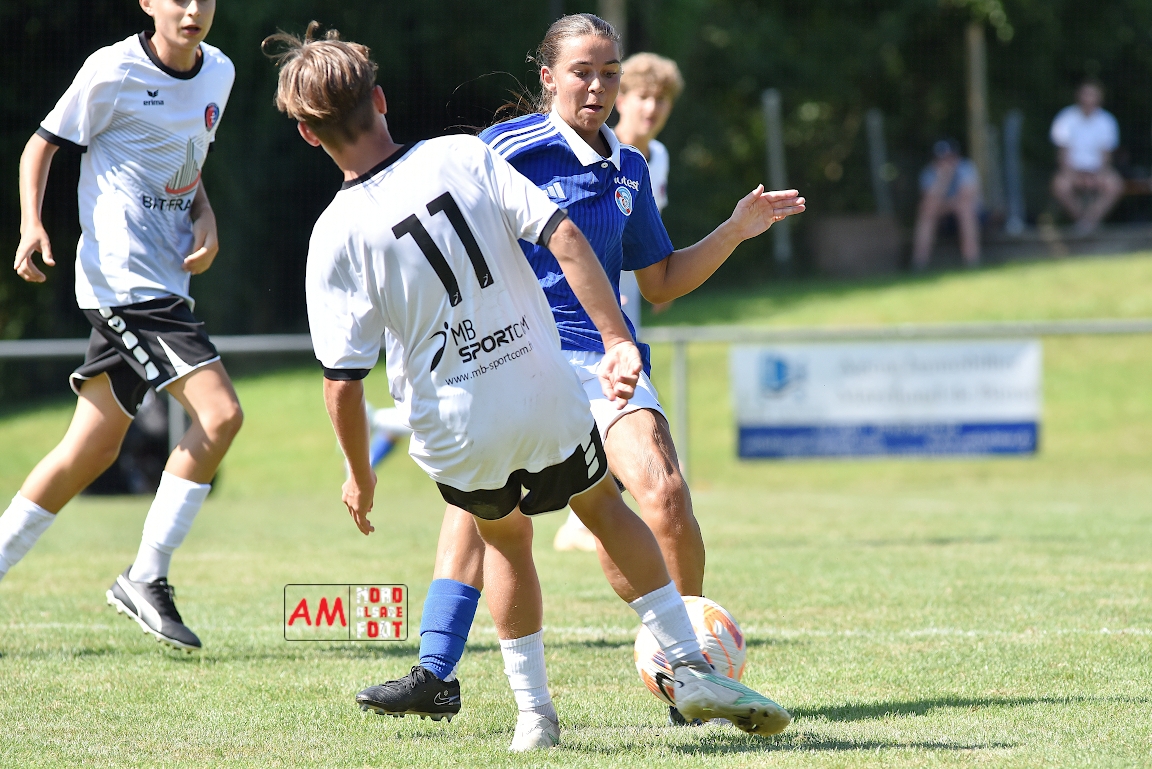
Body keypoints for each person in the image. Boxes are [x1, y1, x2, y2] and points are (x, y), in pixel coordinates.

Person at [265, 22, 792, 751]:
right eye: (584, 70)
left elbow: (341, 382)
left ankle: (534, 716)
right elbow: (563, 235)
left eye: (611, 71)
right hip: (539, 375)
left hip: (461, 412)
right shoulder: (464, 154)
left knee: (509, 537)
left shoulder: (334, 233)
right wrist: (618, 338)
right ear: (380, 99)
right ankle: (689, 665)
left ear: (305, 133)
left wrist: (358, 472)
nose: (600, 86)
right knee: (601, 506)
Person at [0, 0, 240, 652]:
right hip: (124, 283)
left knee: (91, 449)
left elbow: (187, 162)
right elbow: (40, 146)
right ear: (147, 3)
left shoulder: (219, 72)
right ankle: (146, 575)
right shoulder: (113, 69)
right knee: (221, 415)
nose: (193, 10)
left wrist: (205, 215)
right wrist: (31, 224)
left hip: (165, 282)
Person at [553, 50, 683, 552]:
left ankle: (591, 516)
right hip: (580, 308)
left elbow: (643, 230)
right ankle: (587, 513)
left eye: (661, 100)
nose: (652, 109)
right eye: (643, 96)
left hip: (629, 300)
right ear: (622, 99)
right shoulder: (600, 148)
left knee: (623, 405)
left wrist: (660, 276)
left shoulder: (655, 158)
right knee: (609, 404)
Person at [1050, 80, 1123, 235]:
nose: (1088, 99)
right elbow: (1063, 153)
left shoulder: (1106, 121)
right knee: (1060, 186)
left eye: (1092, 95)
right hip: (1073, 171)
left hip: (1097, 171)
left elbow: (1106, 155)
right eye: (1086, 94)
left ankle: (1089, 221)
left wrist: (1099, 174)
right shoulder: (1066, 118)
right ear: (1079, 96)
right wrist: (1071, 175)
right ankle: (1083, 221)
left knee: (1115, 185)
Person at [912, 138, 982, 270]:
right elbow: (928, 202)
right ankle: (919, 264)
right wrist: (943, 179)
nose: (945, 162)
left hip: (975, 216)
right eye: (941, 159)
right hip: (943, 219)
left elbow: (966, 197)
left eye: (949, 158)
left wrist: (944, 203)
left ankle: (972, 261)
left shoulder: (966, 168)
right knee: (926, 211)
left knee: (965, 209)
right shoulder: (929, 173)